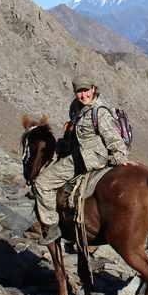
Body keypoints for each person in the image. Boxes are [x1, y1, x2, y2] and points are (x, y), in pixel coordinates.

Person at [32, 77, 130, 244]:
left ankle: (50, 226)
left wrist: (118, 158)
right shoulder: (77, 108)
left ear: (93, 89)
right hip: (80, 153)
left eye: (86, 90)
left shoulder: (99, 112)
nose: (84, 95)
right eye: (80, 91)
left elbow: (113, 139)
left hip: (89, 158)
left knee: (42, 183)